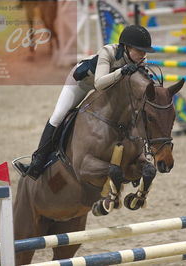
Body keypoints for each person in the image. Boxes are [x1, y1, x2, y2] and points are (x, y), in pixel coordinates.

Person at [21, 25, 155, 180]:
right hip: (81, 83)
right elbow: (98, 83)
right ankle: (37, 162)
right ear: (126, 47)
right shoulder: (108, 52)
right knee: (58, 115)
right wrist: (122, 71)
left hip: (107, 89)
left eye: (145, 51)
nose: (143, 54)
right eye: (140, 50)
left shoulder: (141, 59)